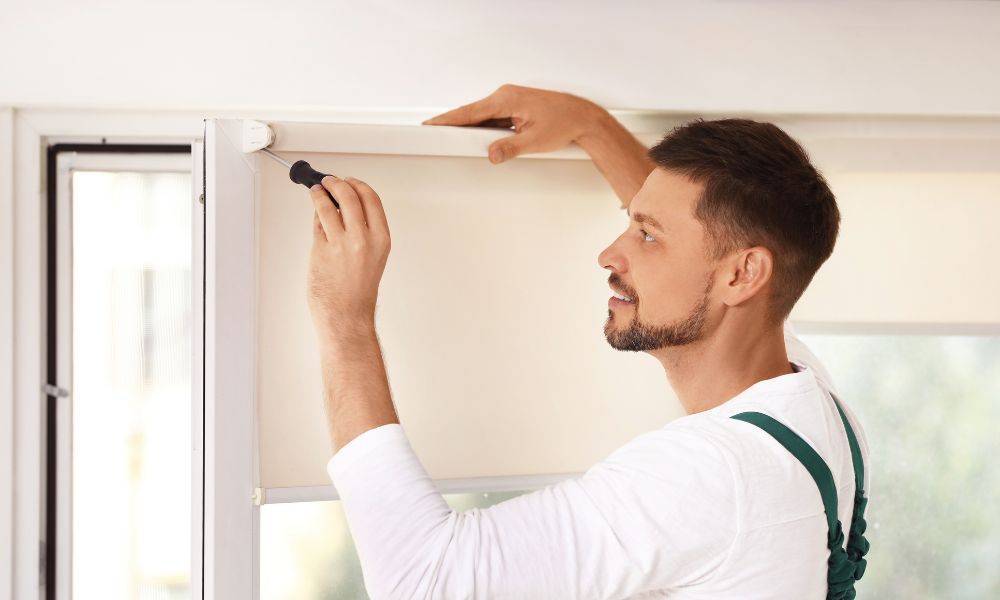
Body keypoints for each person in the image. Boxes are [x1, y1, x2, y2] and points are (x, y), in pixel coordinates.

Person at [305, 84, 871, 599]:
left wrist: (344, 315)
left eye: (646, 234)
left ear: (742, 276)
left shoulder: (710, 474)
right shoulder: (813, 408)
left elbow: (423, 581)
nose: (609, 254)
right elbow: (708, 253)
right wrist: (591, 127)